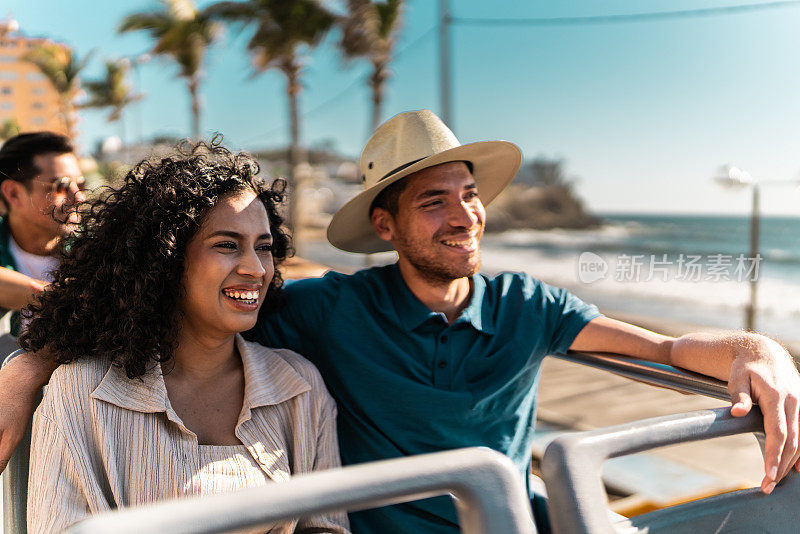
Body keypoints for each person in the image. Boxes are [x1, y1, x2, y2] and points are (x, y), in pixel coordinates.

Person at [1, 111, 799, 534]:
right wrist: (31, 363)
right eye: (434, 200)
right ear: (385, 227)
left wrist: (759, 349)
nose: (465, 214)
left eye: (470, 193)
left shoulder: (529, 303)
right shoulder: (327, 311)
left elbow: (663, 348)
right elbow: (182, 299)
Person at [20, 143, 349, 533]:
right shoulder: (83, 391)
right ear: (164, 259)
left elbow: (326, 528)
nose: (256, 268)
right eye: (227, 245)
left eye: (264, 247)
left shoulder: (299, 386)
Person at [0, 132, 84, 338]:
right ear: (13, 193)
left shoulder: (98, 252)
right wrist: (59, 297)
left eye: (81, 185)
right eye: (61, 187)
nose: (79, 198)